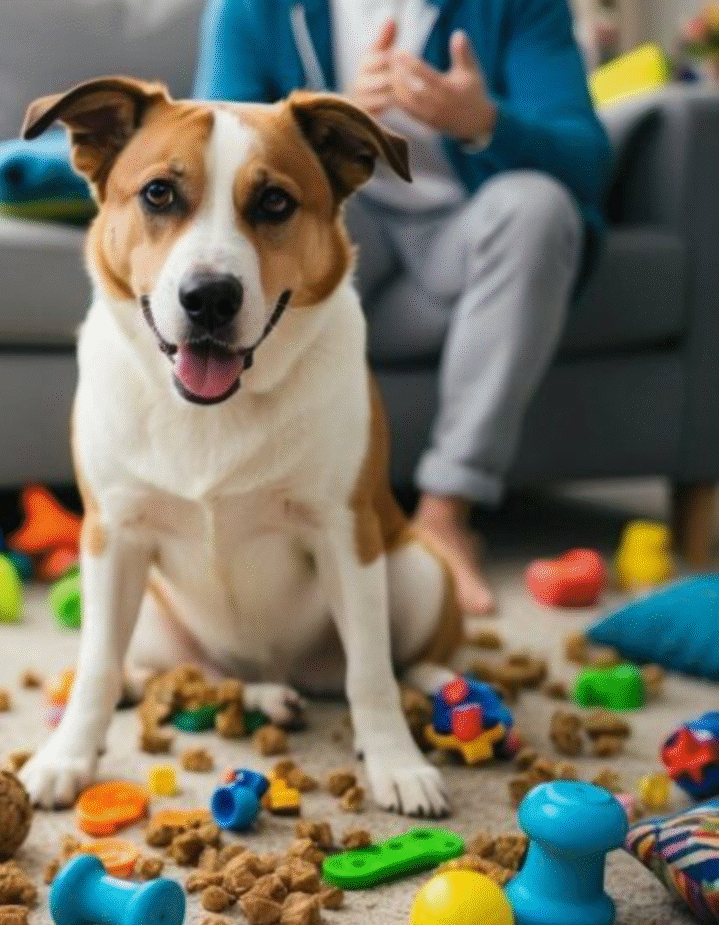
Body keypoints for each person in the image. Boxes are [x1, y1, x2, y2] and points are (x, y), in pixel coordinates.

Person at [193, 0, 612, 614]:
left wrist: (485, 121)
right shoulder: (252, 8)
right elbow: (209, 145)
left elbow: (587, 160)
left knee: (538, 206)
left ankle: (444, 519)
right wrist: (321, 137)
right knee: (273, 217)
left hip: (460, 252)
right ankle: (264, 524)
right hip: (338, 235)